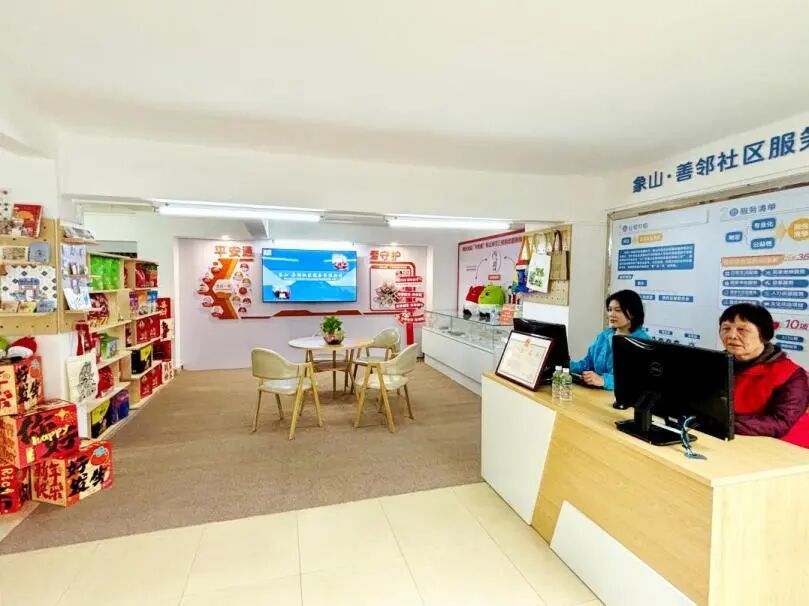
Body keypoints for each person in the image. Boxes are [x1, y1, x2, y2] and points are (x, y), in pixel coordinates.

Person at [718, 303, 809, 447]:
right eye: (726, 328)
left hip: (779, 446)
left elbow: (780, 422)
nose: (732, 335)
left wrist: (722, 422)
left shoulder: (791, 374)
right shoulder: (715, 363)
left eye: (742, 330)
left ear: (763, 335)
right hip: (727, 439)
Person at [571, 290, 650, 390]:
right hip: (598, 394)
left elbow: (636, 380)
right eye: (609, 309)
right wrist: (565, 363)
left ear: (633, 313)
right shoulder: (604, 336)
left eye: (618, 310)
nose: (611, 314)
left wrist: (603, 380)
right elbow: (587, 364)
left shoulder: (643, 342)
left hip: (622, 397)